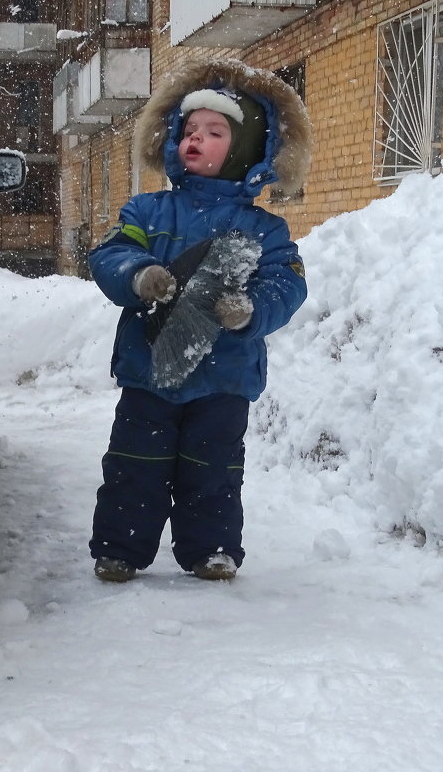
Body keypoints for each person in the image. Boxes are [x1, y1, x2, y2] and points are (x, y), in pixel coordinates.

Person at [87, 59, 311, 583]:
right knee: (133, 465)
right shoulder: (146, 211)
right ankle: (120, 548)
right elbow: (112, 254)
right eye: (189, 130)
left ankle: (210, 549)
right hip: (150, 371)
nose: (196, 139)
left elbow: (288, 284)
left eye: (214, 132)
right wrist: (138, 274)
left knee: (213, 472)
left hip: (223, 379)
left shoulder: (266, 230)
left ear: (249, 150)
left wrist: (251, 310)